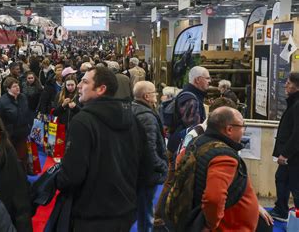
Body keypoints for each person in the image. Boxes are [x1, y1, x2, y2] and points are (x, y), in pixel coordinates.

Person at [54, 67, 140, 230]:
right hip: (125, 212)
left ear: (101, 89)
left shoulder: (82, 122)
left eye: (85, 82)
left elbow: (72, 175)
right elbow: (144, 167)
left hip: (90, 215)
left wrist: (57, 181)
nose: (79, 85)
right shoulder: (133, 120)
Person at [182, 107, 259, 231]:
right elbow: (213, 198)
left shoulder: (196, 143)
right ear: (229, 129)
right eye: (242, 126)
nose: (243, 131)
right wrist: (210, 225)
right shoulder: (223, 156)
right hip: (227, 226)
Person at [154, 66, 210, 228]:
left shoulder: (189, 95)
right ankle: (159, 217)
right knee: (172, 181)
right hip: (181, 146)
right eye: (207, 78)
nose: (209, 81)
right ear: (198, 80)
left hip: (178, 144)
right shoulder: (191, 98)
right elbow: (193, 126)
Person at [131, 81, 167, 232]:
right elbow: (150, 148)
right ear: (146, 96)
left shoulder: (134, 109)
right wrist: (162, 166)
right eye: (154, 93)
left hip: (136, 170)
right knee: (146, 213)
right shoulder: (147, 117)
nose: (157, 95)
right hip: (146, 173)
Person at [270, 72, 299, 222]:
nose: (286, 85)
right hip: (291, 155)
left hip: (294, 156)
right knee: (281, 178)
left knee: (295, 186)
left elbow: (297, 134)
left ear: (297, 86)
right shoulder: (293, 103)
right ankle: (281, 210)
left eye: (289, 83)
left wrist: (285, 154)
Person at [0, 77, 31, 167]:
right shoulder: (1, 102)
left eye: (18, 85)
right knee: (10, 158)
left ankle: (23, 175)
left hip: (23, 132)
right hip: (9, 135)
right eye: (14, 86)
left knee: (23, 157)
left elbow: (27, 113)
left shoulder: (23, 97)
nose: (17, 87)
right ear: (8, 89)